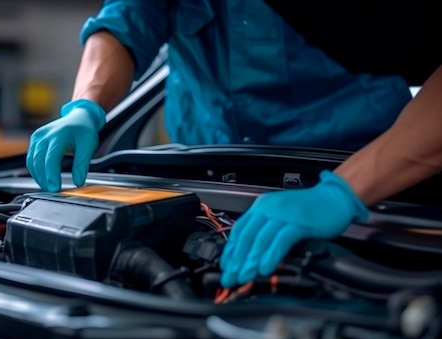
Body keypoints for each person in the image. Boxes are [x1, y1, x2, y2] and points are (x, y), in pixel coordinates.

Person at [26, 1, 441, 287]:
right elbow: (126, 18)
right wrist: (84, 108)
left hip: (372, 182)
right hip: (206, 179)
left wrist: (341, 193)